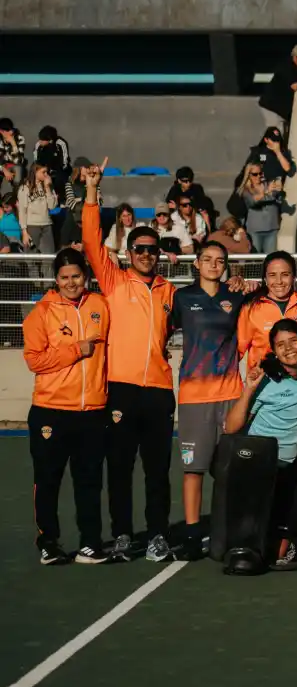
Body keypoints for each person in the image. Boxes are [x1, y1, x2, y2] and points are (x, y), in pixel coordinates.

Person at [81, 162, 178, 562]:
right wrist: (92, 191)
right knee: (119, 468)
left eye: (153, 250)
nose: (147, 255)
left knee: (157, 472)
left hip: (159, 391)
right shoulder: (115, 280)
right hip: (120, 389)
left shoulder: (170, 291)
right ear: (129, 252)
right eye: (140, 249)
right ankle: (122, 534)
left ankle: (157, 535)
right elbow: (90, 240)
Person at [23, 248, 110, 565]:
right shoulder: (42, 312)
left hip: (92, 412)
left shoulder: (100, 305)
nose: (71, 283)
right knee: (48, 480)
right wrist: (76, 350)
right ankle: (48, 543)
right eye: (64, 277)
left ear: (85, 276)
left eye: (76, 276)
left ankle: (90, 544)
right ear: (56, 280)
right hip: (51, 411)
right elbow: (34, 360)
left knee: (89, 482)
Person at [169, 241, 249, 561]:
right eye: (207, 259)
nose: (214, 265)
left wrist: (246, 283)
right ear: (196, 263)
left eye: (220, 260)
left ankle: (230, 531)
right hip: (194, 396)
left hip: (230, 395)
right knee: (194, 469)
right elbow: (161, 330)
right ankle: (192, 535)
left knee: (232, 470)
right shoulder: (182, 298)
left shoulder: (236, 295)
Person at [224, 319, 297, 567]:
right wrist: (249, 389)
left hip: (289, 465)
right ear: (274, 351)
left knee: (277, 552)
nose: (289, 348)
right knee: (252, 547)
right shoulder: (265, 380)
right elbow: (230, 427)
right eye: (281, 345)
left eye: (294, 341)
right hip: (257, 464)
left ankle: (292, 534)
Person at [237, 251, 297, 371]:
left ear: (294, 277)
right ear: (265, 278)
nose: (279, 281)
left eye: (285, 274)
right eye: (272, 275)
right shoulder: (250, 307)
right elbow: (237, 352)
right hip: (264, 380)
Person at [258, 44, 297, 132]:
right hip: (272, 106)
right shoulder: (287, 67)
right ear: (295, 58)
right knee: (277, 132)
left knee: (284, 132)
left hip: (284, 108)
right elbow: (296, 86)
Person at [239, 162, 284, 255]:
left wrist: (279, 191)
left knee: (271, 257)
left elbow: (277, 199)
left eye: (260, 173)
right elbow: (253, 201)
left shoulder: (269, 185)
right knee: (256, 258)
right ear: (249, 175)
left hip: (271, 228)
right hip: (255, 230)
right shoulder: (246, 190)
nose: (258, 176)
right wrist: (266, 192)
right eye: (255, 174)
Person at [17, 163, 57, 255]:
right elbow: (22, 211)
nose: (46, 175)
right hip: (32, 225)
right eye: (43, 172)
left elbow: (52, 206)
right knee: (31, 257)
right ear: (35, 172)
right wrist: (24, 232)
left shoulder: (48, 185)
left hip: (47, 224)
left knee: (48, 257)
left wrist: (47, 188)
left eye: (47, 172)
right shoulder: (24, 188)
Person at [0, 117, 26, 194]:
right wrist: (4, 169)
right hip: (2, 165)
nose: (11, 132)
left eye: (11, 129)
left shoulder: (19, 138)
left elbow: (18, 161)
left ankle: (17, 196)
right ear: (1, 131)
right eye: (8, 130)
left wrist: (13, 144)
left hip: (14, 165)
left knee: (18, 170)